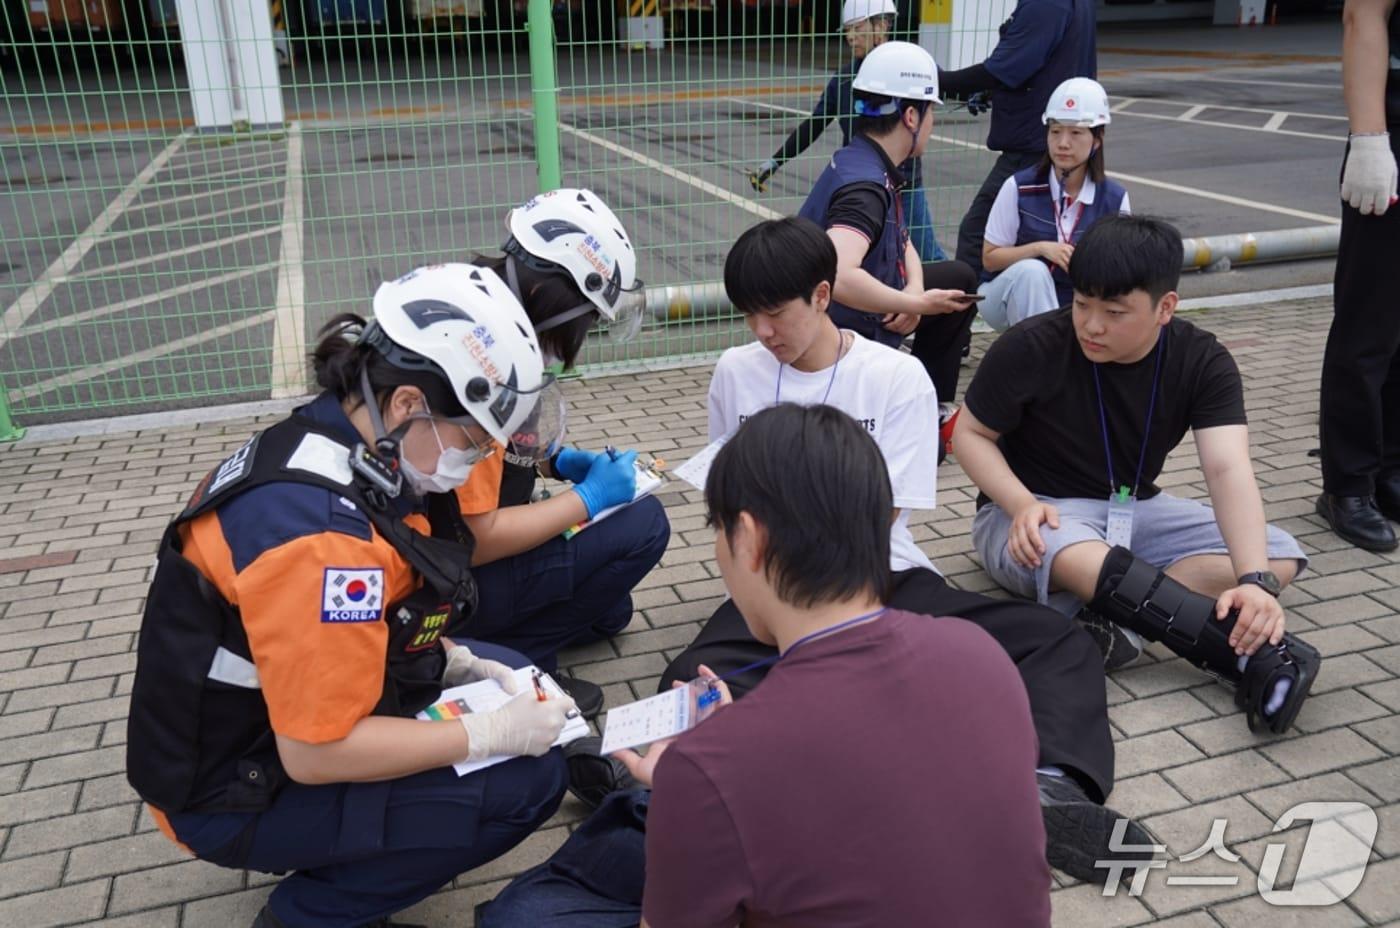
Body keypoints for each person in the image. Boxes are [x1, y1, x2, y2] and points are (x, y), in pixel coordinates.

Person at [655, 217, 1149, 885]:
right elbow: (726, 485)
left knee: (1053, 641)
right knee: (690, 677)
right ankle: (657, 786)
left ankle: (1050, 787)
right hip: (767, 594)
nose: (761, 333)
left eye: (775, 314)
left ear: (823, 296)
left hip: (879, 578)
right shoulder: (735, 372)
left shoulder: (894, 377)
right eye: (749, 317)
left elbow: (883, 514)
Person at [125, 264, 579, 928]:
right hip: (232, 792)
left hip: (249, 735)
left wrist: (458, 660)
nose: (479, 459)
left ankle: (345, 849)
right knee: (526, 780)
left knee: (491, 659)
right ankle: (311, 914)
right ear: (406, 405)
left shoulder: (337, 437)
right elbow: (316, 753)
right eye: (473, 439)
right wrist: (485, 733)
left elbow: (367, 612)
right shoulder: (320, 541)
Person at [483, 403, 1057, 927]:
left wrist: (689, 791)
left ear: (750, 540)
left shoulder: (713, 767)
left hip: (713, 803)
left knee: (520, 916)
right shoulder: (982, 655)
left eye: (718, 531)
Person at [952, 215, 1322, 734]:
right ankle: (1243, 655)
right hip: (1030, 515)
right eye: (1082, 304)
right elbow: (969, 435)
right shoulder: (1032, 345)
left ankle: (1118, 626)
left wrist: (1255, 584)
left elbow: (1227, 467)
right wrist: (1018, 503)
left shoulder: (1202, 360)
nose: (1091, 325)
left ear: (1164, 308)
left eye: (1115, 311)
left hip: (1134, 509)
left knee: (1277, 553)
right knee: (1069, 547)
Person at [453, 189, 672, 717]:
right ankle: (518, 664)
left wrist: (558, 461)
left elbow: (500, 449)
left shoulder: (479, 309)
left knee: (610, 611)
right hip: (444, 585)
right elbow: (473, 539)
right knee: (645, 525)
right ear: (561, 298)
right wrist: (589, 499)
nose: (585, 333)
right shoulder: (487, 365)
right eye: (590, 319)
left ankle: (511, 634)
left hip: (441, 566)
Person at [797, 40, 981, 410]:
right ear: (911, 116)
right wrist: (914, 303)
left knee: (957, 278)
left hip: (844, 310)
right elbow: (840, 273)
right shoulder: (865, 187)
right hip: (838, 332)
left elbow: (902, 237)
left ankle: (929, 406)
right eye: (931, 113)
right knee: (928, 455)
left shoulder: (866, 159)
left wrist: (914, 291)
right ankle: (909, 416)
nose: (931, 123)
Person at [748, 0, 949, 262]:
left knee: (927, 256)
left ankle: (957, 298)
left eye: (857, 27)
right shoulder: (843, 80)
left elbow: (945, 83)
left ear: (883, 24)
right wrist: (777, 160)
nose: (850, 37)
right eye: (846, 30)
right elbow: (816, 123)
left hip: (905, 186)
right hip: (862, 183)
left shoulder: (908, 67)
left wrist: (986, 90)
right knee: (862, 258)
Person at [1316, 0, 1400, 552]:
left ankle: (1391, 468)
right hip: (1393, 124)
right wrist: (1370, 138)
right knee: (1370, 319)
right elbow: (1363, 14)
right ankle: (1347, 484)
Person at [938, 0, 1097, 281]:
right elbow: (1047, 63)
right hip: (1049, 139)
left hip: (1036, 146)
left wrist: (935, 80)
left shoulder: (1045, 4)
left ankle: (959, 318)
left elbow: (1006, 67)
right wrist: (991, 92)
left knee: (978, 235)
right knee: (1033, 236)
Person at [978, 77, 1131, 331]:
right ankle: (1046, 359)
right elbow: (990, 259)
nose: (1062, 143)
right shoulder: (1018, 186)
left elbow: (1122, 271)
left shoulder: (1114, 199)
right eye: (1055, 130)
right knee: (1032, 273)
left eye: (1076, 133)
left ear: (1097, 139)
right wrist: (1040, 248)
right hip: (1004, 297)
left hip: (1078, 304)